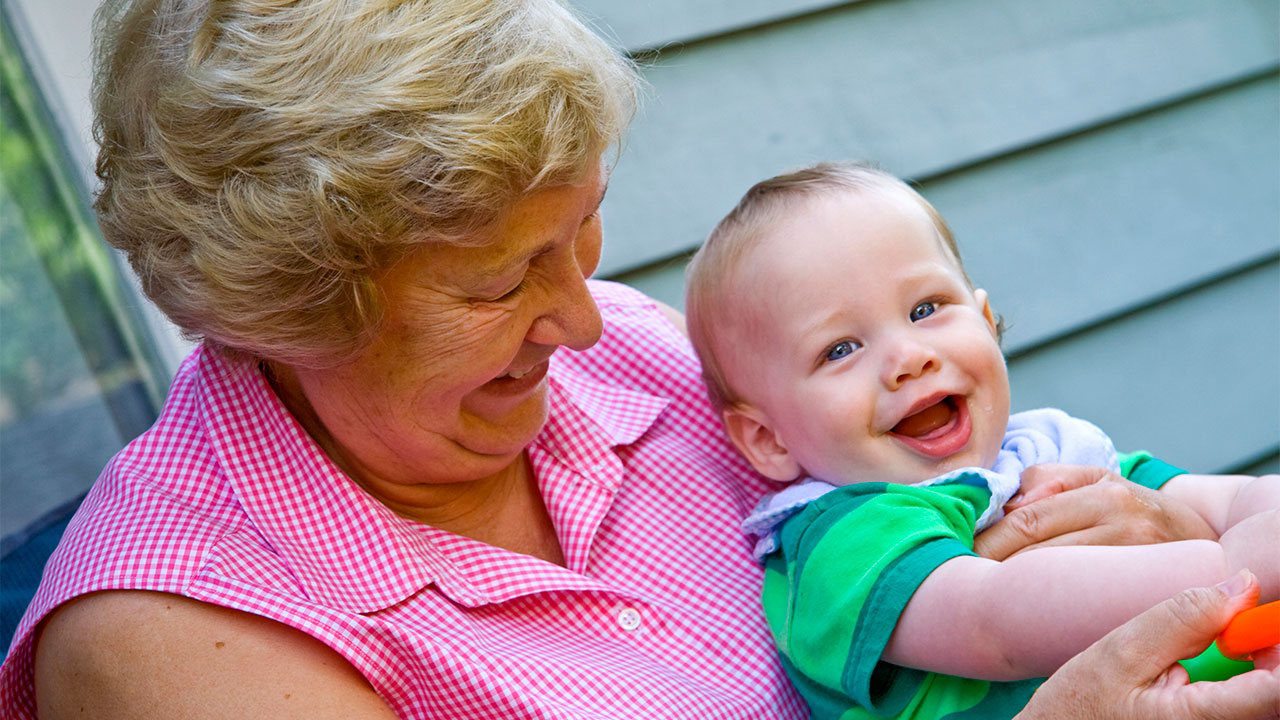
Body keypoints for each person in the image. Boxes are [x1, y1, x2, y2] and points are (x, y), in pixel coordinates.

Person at [0, 1, 1265, 718]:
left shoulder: (630, 355)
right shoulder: (171, 642)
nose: (589, 323)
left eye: (579, 237)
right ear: (281, 308)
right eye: (499, 283)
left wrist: (1131, 534)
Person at [683, 161, 1280, 719]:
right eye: (840, 349)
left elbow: (1223, 500)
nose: (909, 358)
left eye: (925, 308)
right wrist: (1231, 563)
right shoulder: (845, 538)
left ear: (987, 323)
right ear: (769, 439)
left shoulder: (1043, 449)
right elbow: (997, 622)